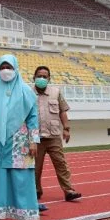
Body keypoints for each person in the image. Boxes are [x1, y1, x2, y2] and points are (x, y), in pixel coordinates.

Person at [0, 55, 40, 220]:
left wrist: (33, 140)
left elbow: (33, 117)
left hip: (19, 140)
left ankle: (24, 215)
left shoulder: (26, 91)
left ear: (16, 69)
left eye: (9, 67)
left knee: (20, 176)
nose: (6, 70)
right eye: (3, 67)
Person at [32, 66, 81, 211]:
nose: (42, 78)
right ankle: (36, 191)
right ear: (34, 77)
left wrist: (66, 129)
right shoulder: (27, 93)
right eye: (39, 76)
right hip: (36, 137)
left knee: (61, 164)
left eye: (45, 76)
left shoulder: (56, 92)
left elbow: (62, 112)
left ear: (49, 78)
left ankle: (69, 191)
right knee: (35, 167)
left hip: (53, 136)